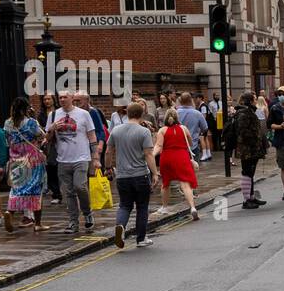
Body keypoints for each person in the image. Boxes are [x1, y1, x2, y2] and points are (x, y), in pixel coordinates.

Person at [104, 100, 160, 247]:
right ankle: (141, 239)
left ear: (127, 114)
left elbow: (109, 151)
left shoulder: (116, 130)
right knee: (142, 206)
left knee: (124, 206)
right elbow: (148, 154)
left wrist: (108, 167)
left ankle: (120, 226)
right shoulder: (144, 131)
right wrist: (155, 173)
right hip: (140, 175)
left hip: (122, 176)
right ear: (141, 114)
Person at [48, 91, 98, 233]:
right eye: (60, 98)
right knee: (68, 192)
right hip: (63, 159)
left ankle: (87, 213)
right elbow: (47, 138)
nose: (62, 99)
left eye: (65, 97)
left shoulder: (83, 114)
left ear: (71, 98)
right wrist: (52, 129)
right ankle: (73, 222)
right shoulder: (53, 115)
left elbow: (92, 135)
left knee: (80, 187)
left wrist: (95, 157)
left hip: (81, 158)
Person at [2, 98, 47, 232]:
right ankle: (38, 224)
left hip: (16, 159)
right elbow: (41, 136)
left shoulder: (7, 123)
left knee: (17, 189)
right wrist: (33, 118)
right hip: (32, 160)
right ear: (26, 108)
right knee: (35, 190)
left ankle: (10, 212)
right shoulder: (31, 122)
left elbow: (7, 142)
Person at [155, 109, 199, 218]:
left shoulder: (162, 130)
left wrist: (151, 154)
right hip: (182, 157)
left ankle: (164, 207)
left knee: (166, 184)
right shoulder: (183, 128)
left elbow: (159, 146)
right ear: (176, 117)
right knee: (185, 184)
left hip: (167, 158)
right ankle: (192, 207)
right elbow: (190, 143)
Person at [228, 92, 266, 209]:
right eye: (254, 99)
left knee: (250, 173)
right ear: (249, 101)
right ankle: (247, 200)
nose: (255, 101)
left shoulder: (248, 111)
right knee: (247, 172)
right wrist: (255, 138)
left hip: (252, 148)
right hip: (247, 149)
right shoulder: (243, 113)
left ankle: (252, 197)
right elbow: (242, 131)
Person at [174, 92, 208, 164]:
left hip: (178, 147)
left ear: (181, 101)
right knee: (194, 170)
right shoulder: (197, 113)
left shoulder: (176, 113)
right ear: (190, 100)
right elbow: (205, 128)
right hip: (193, 145)